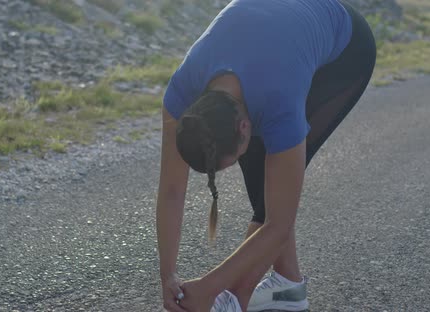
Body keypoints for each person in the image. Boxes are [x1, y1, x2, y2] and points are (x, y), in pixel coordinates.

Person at [155, 0, 376, 311]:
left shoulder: (278, 102)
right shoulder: (181, 95)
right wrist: (168, 276)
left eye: (228, 163)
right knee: (265, 183)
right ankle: (288, 287)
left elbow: (278, 224)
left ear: (245, 126)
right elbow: (172, 191)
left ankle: (234, 297)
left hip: (345, 50)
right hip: (275, 36)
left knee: (272, 197)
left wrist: (209, 287)